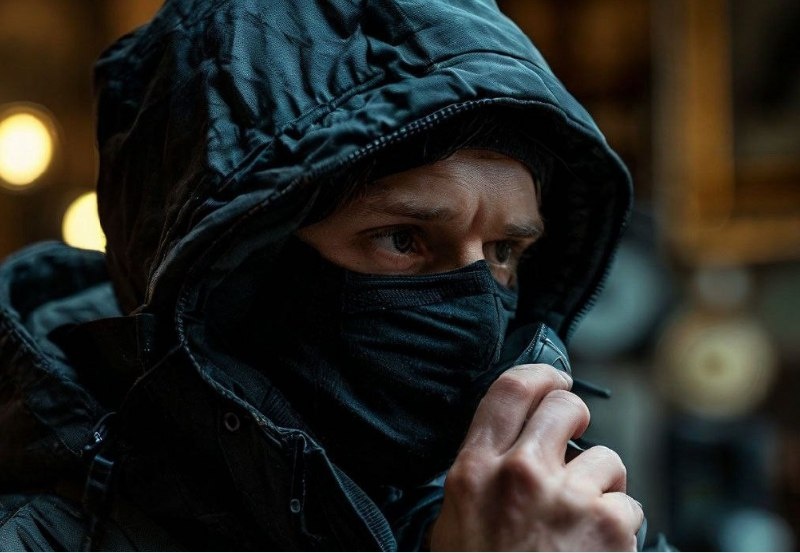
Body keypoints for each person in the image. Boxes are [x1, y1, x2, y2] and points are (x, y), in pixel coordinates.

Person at [0, 0, 669, 550]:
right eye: (403, 239)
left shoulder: (563, 514)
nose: (477, 313)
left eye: (503, 251)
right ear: (232, 269)